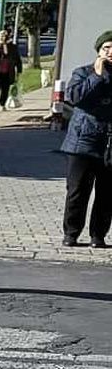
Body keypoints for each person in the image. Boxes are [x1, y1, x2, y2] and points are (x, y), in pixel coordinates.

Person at [60, 30, 112, 248]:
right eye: (106, 48)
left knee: (107, 193)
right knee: (77, 190)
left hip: (109, 143)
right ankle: (71, 233)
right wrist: (97, 77)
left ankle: (98, 235)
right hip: (83, 141)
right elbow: (75, 98)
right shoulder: (83, 72)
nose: (110, 52)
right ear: (98, 51)